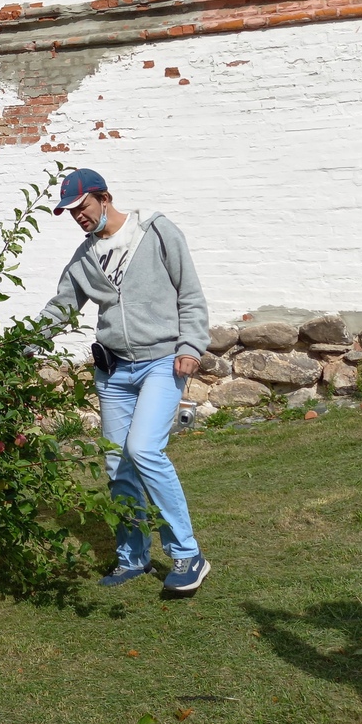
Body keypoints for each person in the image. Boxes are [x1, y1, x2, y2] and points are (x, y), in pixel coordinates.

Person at [38, 168, 211, 594]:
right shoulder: (84, 257)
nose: (78, 216)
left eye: (82, 206)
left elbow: (190, 293)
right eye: (70, 212)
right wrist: (20, 344)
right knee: (118, 464)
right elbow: (61, 307)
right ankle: (132, 556)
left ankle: (187, 554)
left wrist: (191, 346)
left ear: (104, 197)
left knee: (144, 449)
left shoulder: (156, 232)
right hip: (113, 371)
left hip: (162, 363)